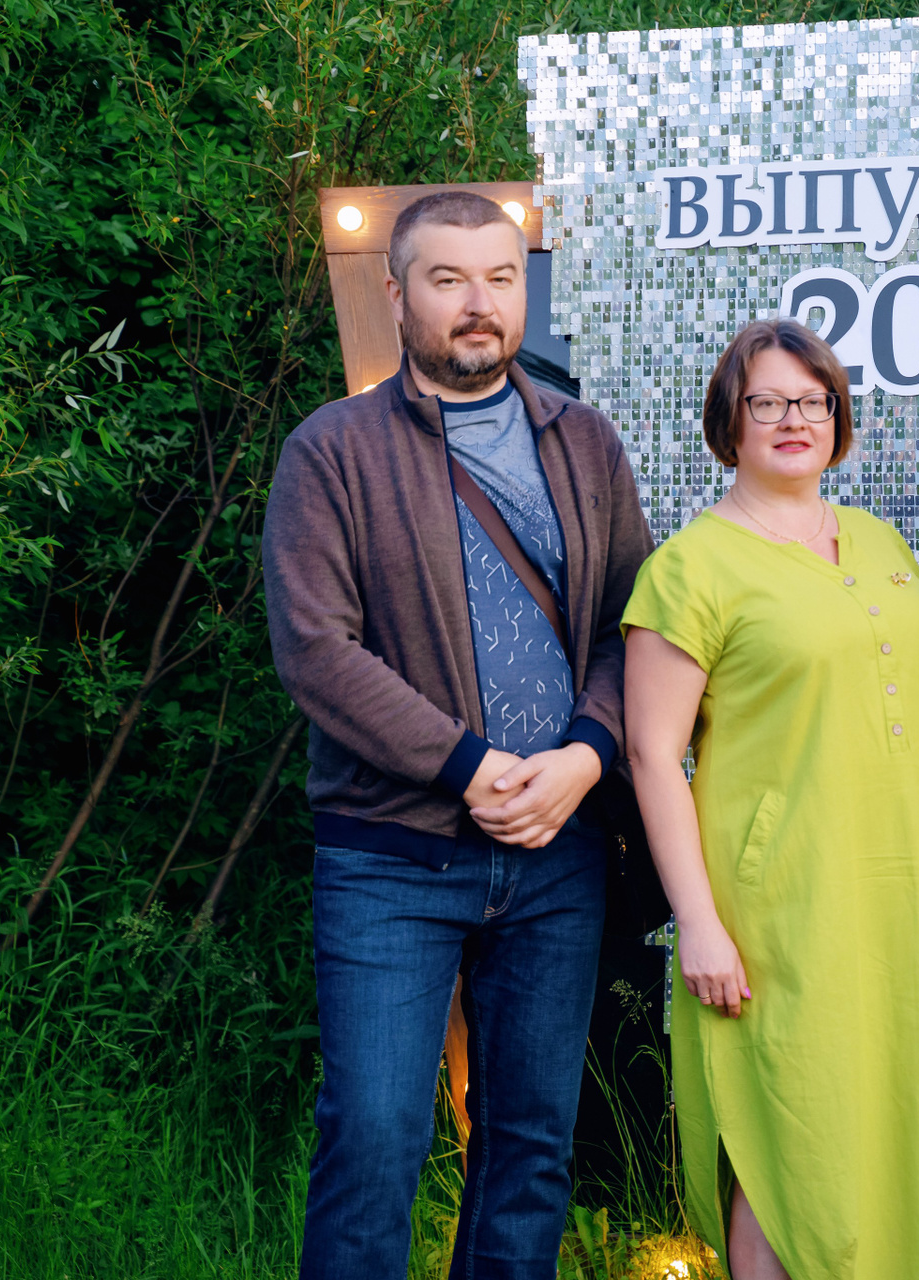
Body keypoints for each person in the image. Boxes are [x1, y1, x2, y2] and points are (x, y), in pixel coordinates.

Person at [263, 190, 653, 1279]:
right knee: (375, 1135)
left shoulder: (584, 442)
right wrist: (467, 765)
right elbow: (317, 650)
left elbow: (636, 627)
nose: (479, 303)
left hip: (559, 850)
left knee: (530, 1146)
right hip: (390, 854)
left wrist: (586, 754)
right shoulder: (332, 451)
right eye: (449, 280)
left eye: (500, 278)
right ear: (397, 295)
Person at [621, 318, 919, 1280]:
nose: (794, 419)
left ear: (837, 417)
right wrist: (698, 922)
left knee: (900, 1113)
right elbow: (651, 755)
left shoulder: (879, 542)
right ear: (729, 422)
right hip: (781, 905)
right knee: (788, 1135)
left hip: (907, 898)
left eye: (813, 400)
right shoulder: (689, 570)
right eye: (768, 402)